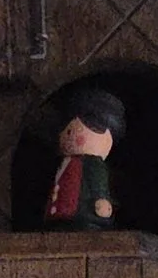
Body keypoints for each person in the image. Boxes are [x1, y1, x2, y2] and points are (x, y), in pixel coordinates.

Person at [43, 87, 126, 227]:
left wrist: (101, 200)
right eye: (68, 131)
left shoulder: (94, 164)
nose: (73, 137)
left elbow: (98, 183)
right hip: (61, 215)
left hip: (84, 214)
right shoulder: (65, 161)